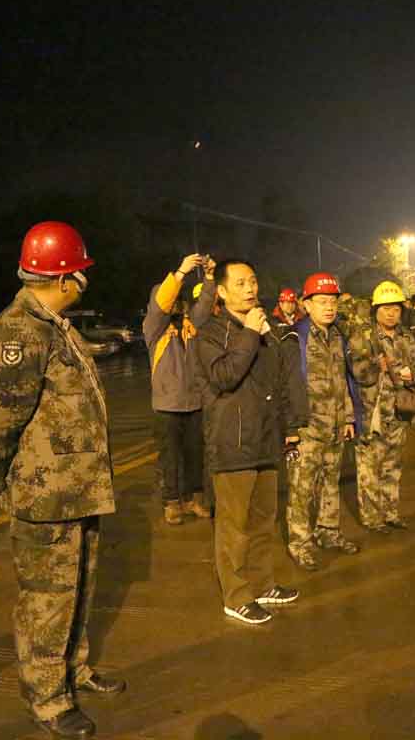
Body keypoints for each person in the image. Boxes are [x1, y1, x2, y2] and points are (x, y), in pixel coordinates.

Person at [0, 222, 124, 739]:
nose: (85, 280)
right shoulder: (19, 332)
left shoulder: (54, 325)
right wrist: (0, 481)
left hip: (78, 489)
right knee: (46, 600)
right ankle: (48, 698)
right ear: (64, 278)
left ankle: (73, 671)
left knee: (78, 591)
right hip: (45, 495)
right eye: (81, 272)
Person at [195, 258, 305, 625]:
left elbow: (280, 380)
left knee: (263, 520)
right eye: (241, 283)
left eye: (253, 281)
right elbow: (224, 376)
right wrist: (249, 334)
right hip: (233, 443)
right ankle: (236, 595)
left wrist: (289, 427)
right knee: (234, 527)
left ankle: (262, 584)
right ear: (222, 291)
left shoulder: (266, 329)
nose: (250, 289)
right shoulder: (210, 333)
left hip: (266, 440)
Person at [286, 273, 361, 571]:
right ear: (306, 305)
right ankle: (300, 543)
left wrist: (349, 418)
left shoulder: (337, 336)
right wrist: (290, 428)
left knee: (331, 482)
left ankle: (328, 532)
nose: (329, 307)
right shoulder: (295, 337)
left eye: (332, 301)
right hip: (307, 429)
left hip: (335, 425)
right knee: (301, 488)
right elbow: (287, 385)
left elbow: (343, 380)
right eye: (321, 302)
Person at [349, 281, 415, 532]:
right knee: (369, 469)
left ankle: (390, 513)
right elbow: (356, 372)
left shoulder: (406, 336)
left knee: (392, 467)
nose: (391, 313)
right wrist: (377, 366)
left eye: (395, 308)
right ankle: (372, 518)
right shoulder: (363, 337)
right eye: (385, 309)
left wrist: (412, 375)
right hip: (371, 413)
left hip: (399, 413)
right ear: (376, 310)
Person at [143, 253, 216, 525]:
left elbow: (205, 305)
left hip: (194, 402)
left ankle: (195, 499)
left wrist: (210, 277)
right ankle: (171, 502)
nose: (174, 303)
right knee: (170, 458)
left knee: (196, 455)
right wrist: (181, 273)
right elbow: (160, 305)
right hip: (167, 406)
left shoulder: (189, 325)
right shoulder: (154, 328)